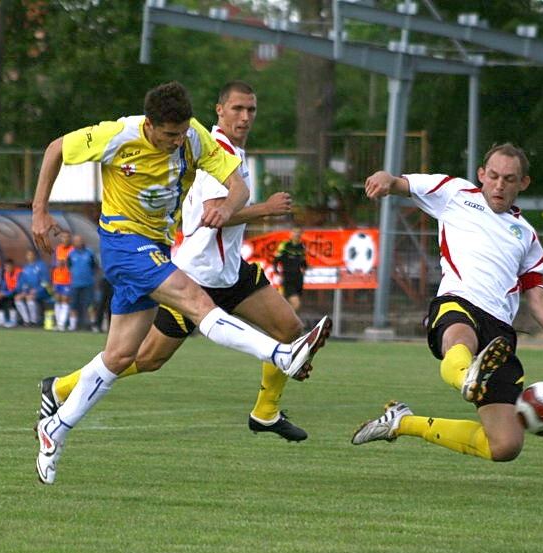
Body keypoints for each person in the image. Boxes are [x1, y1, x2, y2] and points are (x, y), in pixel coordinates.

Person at [31, 80, 331, 484]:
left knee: (121, 357)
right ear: (150, 126)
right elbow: (55, 149)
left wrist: (228, 206)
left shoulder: (194, 137)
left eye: (181, 133)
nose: (177, 142)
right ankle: (280, 355)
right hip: (123, 245)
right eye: (169, 135)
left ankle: (56, 428)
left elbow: (237, 183)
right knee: (196, 301)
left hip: (156, 247)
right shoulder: (118, 134)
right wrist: (39, 212)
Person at [351, 143, 543, 461]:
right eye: (493, 176)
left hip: (499, 334)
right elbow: (398, 183)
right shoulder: (455, 193)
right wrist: (383, 178)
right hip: (458, 302)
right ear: (481, 175)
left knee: (504, 446)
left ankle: (402, 422)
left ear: (523, 183)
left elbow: (538, 300)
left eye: (509, 178)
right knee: (459, 338)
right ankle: (468, 376)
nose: (499, 185)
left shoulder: (528, 237)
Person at [273, 225, 307, 313]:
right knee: (295, 303)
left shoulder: (301, 247)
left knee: (290, 304)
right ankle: (286, 322)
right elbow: (275, 260)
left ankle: (284, 321)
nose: (296, 234)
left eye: (299, 232)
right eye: (295, 232)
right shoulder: (285, 245)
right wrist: (277, 273)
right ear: (291, 233)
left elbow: (303, 263)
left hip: (298, 279)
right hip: (287, 277)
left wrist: (304, 269)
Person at [67, 234, 98, 331]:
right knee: (74, 304)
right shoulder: (71, 254)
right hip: (75, 284)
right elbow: (69, 266)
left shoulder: (89, 253)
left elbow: (94, 267)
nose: (78, 243)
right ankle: (73, 325)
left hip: (88, 283)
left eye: (80, 240)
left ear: (83, 241)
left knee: (90, 305)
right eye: (76, 241)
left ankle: (94, 325)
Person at [18, 249, 50, 326]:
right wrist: (25, 291)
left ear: (35, 256)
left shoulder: (41, 266)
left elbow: (45, 282)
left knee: (30, 297)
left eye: (31, 254)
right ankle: (26, 320)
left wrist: (37, 290)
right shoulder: (25, 268)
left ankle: (34, 321)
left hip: (42, 292)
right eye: (28, 255)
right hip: (29, 292)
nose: (30, 256)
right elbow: (24, 282)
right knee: (18, 298)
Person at [51, 231, 73, 331]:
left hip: (67, 279)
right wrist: (57, 263)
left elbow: (72, 263)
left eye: (67, 237)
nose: (65, 239)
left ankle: (62, 323)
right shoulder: (58, 248)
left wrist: (64, 262)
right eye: (63, 237)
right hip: (57, 278)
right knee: (58, 299)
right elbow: (54, 262)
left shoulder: (72, 249)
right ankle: (58, 322)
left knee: (65, 299)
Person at [0, 257, 22, 327]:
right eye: (6, 267)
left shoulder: (19, 273)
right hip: (9, 292)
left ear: (12, 266)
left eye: (9, 267)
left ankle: (13, 321)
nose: (7, 268)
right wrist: (0, 293)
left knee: (11, 298)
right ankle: (1, 320)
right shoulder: (6, 274)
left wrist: (5, 293)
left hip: (18, 292)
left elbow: (18, 288)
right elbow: (3, 286)